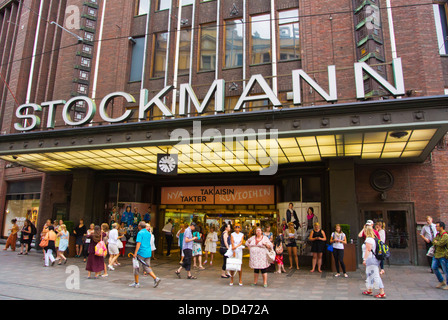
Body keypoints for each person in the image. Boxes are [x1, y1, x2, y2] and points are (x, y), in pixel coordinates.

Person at [129, 221, 161, 288]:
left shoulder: (140, 233)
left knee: (136, 267)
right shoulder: (148, 233)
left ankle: (136, 282)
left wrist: (135, 253)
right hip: (148, 252)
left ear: (139, 226)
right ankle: (155, 278)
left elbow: (138, 243)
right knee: (146, 267)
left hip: (141, 252)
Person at [362, 225, 386, 298]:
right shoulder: (373, 238)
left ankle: (382, 292)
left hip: (370, 259)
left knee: (375, 275)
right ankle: (369, 289)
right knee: (369, 275)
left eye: (364, 231)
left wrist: (364, 259)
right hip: (373, 259)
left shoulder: (368, 239)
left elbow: (368, 250)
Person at [431, 221, 448, 289]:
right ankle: (441, 281)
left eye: (437, 226)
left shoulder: (445, 235)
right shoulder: (438, 234)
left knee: (446, 270)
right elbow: (433, 241)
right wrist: (436, 242)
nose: (436, 227)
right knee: (434, 267)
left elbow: (441, 243)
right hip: (436, 254)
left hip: (443, 255)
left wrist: (436, 242)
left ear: (441, 227)